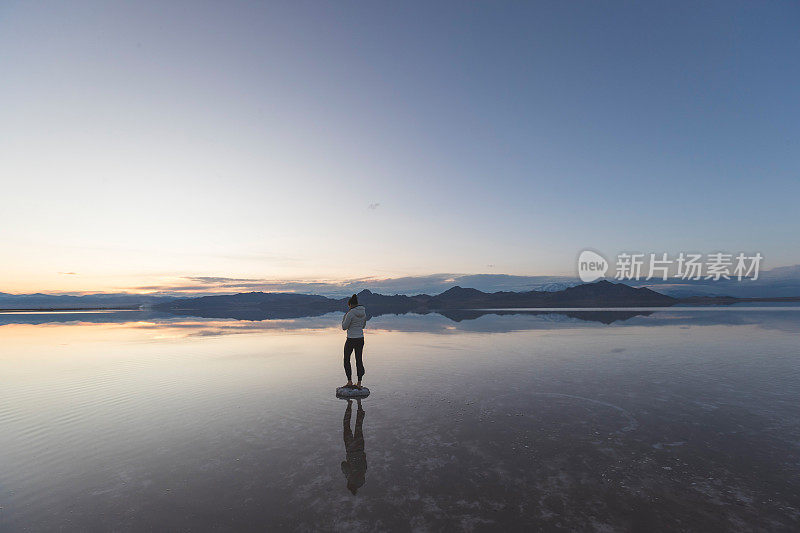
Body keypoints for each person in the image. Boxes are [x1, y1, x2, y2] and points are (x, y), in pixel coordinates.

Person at [341, 398, 367, 495]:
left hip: (360, 448)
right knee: (346, 426)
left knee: (359, 426)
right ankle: (349, 404)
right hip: (351, 448)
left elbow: (365, 461)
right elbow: (343, 465)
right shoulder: (350, 477)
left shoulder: (363, 474)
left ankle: (359, 404)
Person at [341, 293, 366, 389]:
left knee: (346, 359)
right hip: (360, 338)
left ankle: (350, 381)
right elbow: (363, 326)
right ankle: (359, 382)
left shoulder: (350, 313)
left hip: (351, 339)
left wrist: (345, 317)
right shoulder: (363, 312)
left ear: (350, 305)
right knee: (359, 360)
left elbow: (344, 327)